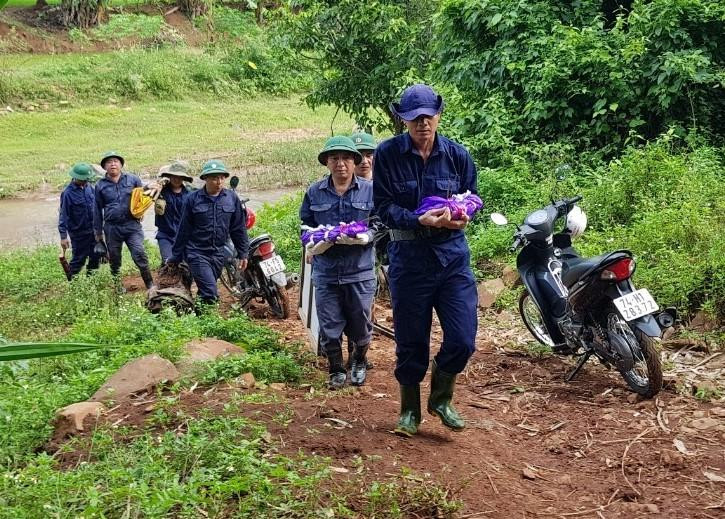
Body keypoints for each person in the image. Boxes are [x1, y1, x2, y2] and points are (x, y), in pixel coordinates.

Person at [373, 84, 479, 436]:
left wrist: (463, 214)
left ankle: (441, 396)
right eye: (414, 118)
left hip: (452, 258)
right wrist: (416, 219)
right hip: (409, 259)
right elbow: (384, 207)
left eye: (428, 116)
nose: (422, 124)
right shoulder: (387, 154)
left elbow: (471, 197)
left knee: (463, 339)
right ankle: (409, 411)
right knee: (411, 339)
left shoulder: (457, 155)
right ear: (403, 120)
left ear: (438, 115)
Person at [300, 136, 376, 389]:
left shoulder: (370, 190)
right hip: (327, 273)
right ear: (327, 163)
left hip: (360, 271)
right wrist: (314, 241)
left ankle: (358, 361)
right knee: (330, 324)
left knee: (361, 323)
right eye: (335, 158)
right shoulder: (314, 192)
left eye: (346, 158)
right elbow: (305, 225)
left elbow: (381, 223)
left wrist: (367, 236)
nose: (341, 164)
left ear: (355, 162)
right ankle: (335, 368)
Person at [167, 160, 248, 305]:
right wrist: (176, 256)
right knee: (211, 292)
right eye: (214, 178)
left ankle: (199, 317)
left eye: (222, 178)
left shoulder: (231, 198)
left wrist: (243, 253)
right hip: (197, 252)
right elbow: (184, 229)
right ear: (205, 179)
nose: (219, 181)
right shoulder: (192, 199)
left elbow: (238, 228)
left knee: (205, 291)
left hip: (218, 253)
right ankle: (208, 320)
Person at [93, 151, 156, 289]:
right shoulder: (100, 186)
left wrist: (142, 211)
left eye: (116, 161)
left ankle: (150, 284)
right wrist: (98, 235)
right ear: (104, 167)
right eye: (109, 162)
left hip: (132, 225)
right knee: (114, 258)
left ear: (121, 164)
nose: (113, 164)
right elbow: (97, 210)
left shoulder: (133, 179)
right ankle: (118, 286)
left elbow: (142, 197)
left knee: (139, 253)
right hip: (111, 228)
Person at [58, 162, 101, 278]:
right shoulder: (67, 193)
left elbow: (97, 208)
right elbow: (63, 216)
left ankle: (92, 280)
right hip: (79, 234)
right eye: (83, 179)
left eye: (87, 179)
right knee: (78, 260)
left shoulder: (89, 188)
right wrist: (63, 236)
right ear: (75, 177)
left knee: (95, 257)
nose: (85, 181)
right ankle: (73, 284)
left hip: (93, 232)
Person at [155, 162, 193, 264]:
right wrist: (156, 186)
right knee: (168, 262)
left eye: (180, 177)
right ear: (169, 177)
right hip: (165, 235)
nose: (177, 179)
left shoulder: (190, 195)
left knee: (186, 264)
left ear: (183, 178)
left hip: (184, 237)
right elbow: (143, 196)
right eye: (174, 176)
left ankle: (187, 279)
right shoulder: (160, 191)